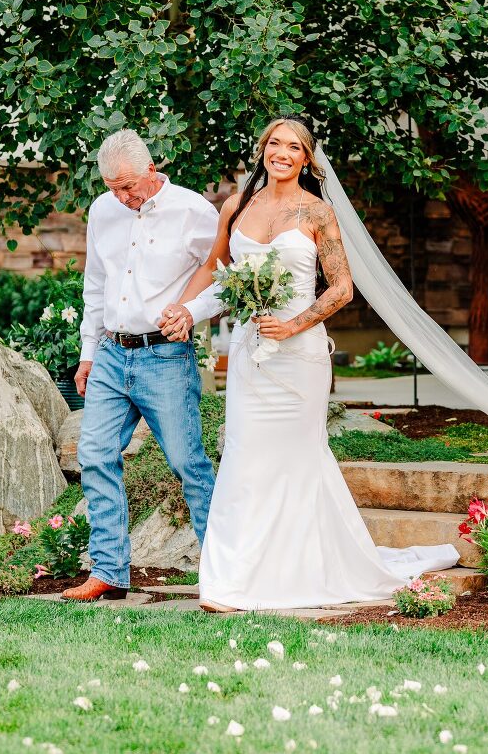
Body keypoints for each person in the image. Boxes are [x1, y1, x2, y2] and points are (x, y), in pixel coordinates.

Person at [160, 116, 459, 611]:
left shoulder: (318, 214)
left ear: (306, 158)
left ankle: (298, 571)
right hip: (250, 357)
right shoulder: (236, 207)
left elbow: (342, 288)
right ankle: (233, 580)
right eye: (274, 143)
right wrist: (186, 310)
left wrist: (294, 324)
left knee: (297, 461)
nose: (282, 152)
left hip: (299, 359)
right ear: (262, 151)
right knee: (244, 458)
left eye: (293, 147)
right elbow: (217, 270)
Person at [62, 129, 219, 602]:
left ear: (153, 169)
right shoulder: (102, 210)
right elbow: (95, 283)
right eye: (113, 187)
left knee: (186, 462)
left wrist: (193, 311)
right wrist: (88, 352)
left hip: (164, 357)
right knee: (93, 455)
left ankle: (223, 571)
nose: (123, 196)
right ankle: (109, 571)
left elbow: (227, 277)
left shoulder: (194, 211)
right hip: (111, 352)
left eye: (129, 185)